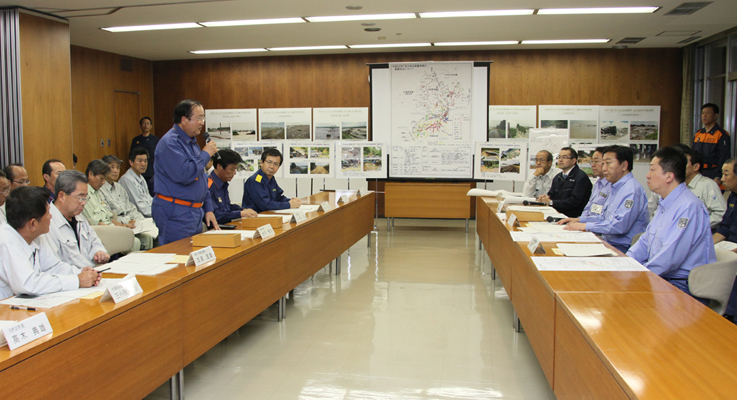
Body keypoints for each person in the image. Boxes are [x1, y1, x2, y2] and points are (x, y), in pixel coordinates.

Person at [627, 147, 715, 302]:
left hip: (682, 285)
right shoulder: (665, 203)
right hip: (662, 276)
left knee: (628, 303)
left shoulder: (688, 207)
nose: (647, 175)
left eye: (652, 170)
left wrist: (638, 275)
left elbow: (670, 257)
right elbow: (645, 242)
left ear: (669, 176)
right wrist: (624, 264)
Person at [0, 186, 100, 299]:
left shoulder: (34, 234)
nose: (51, 216)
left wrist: (79, 272)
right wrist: (76, 280)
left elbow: (52, 266)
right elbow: (28, 284)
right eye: (48, 213)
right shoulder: (6, 240)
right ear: (33, 223)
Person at [153, 99, 219, 245]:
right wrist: (205, 154)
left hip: (193, 212)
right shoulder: (170, 143)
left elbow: (201, 177)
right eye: (199, 118)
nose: (202, 122)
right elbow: (185, 174)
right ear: (184, 119)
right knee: (178, 258)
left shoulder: (191, 142)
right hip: (176, 212)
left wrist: (208, 208)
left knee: (193, 259)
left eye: (203, 118)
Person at [563, 145, 649, 252]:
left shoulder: (631, 190)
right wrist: (580, 220)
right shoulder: (615, 186)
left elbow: (619, 226)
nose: (604, 168)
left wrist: (585, 226)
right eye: (603, 163)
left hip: (623, 248)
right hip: (608, 242)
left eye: (608, 163)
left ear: (624, 165)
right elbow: (603, 218)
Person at [46, 170, 110, 267]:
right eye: (80, 197)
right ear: (62, 196)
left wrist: (98, 252)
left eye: (85, 198)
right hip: (72, 277)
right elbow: (54, 265)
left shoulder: (79, 217)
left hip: (92, 273)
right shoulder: (48, 223)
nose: (84, 202)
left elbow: (94, 241)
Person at [81, 160, 141, 252]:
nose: (103, 182)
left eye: (104, 179)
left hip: (110, 228)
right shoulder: (85, 195)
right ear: (90, 174)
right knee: (134, 241)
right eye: (101, 178)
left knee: (135, 236)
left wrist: (123, 225)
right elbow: (95, 222)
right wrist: (116, 229)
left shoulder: (98, 192)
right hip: (101, 232)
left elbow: (108, 218)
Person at [100, 155, 155, 250]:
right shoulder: (100, 189)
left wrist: (141, 221)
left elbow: (131, 208)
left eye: (118, 167)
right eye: (112, 167)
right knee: (136, 242)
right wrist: (125, 223)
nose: (116, 171)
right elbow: (108, 216)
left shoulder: (119, 188)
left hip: (131, 223)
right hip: (118, 226)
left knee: (152, 233)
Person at [675, 145, 726, 230]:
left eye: (684, 164)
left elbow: (720, 213)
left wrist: (697, 226)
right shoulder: (680, 184)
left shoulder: (708, 184)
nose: (679, 167)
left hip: (701, 233)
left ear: (696, 167)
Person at [559, 146, 611, 225]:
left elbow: (605, 219)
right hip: (588, 224)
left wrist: (583, 224)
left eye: (596, 161)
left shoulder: (612, 186)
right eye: (592, 162)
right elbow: (588, 208)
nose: (592, 165)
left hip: (598, 228)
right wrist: (579, 221)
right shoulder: (598, 183)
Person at [242, 148, 302, 213]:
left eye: (276, 164)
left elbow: (278, 197)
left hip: (269, 215)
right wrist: (289, 204)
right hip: (255, 218)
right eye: (269, 162)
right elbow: (265, 205)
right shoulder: (255, 181)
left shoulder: (271, 178)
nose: (272, 167)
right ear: (261, 162)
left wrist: (292, 201)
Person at [538, 147, 592, 218]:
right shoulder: (558, 177)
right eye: (559, 157)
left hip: (573, 218)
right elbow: (551, 195)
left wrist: (551, 202)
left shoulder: (581, 177)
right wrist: (544, 198)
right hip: (557, 215)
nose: (560, 160)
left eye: (564, 157)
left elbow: (574, 202)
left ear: (573, 161)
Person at [207, 149, 258, 225]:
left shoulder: (223, 183)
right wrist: (240, 214)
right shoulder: (208, 185)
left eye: (236, 169)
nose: (234, 173)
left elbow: (227, 207)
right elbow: (215, 215)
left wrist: (243, 209)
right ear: (219, 166)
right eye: (232, 169)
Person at [713, 157, 737, 319]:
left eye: (726, 174)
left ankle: (730, 316)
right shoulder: (733, 197)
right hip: (729, 245)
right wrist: (708, 244)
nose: (722, 179)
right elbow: (724, 227)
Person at [692, 103, 731, 183]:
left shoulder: (721, 134)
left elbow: (723, 157)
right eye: (703, 113)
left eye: (708, 113)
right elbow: (693, 154)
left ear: (716, 116)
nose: (704, 115)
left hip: (712, 173)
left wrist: (718, 176)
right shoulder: (698, 133)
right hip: (697, 172)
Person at [120, 148, 153, 218]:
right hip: (137, 217)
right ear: (131, 162)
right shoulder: (127, 179)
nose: (143, 164)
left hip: (148, 214)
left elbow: (149, 199)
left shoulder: (141, 177)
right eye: (140, 161)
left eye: (145, 161)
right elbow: (140, 207)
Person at [129, 116, 159, 195]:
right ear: (140, 125)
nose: (146, 125)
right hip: (138, 171)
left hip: (152, 170)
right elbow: (131, 154)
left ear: (151, 126)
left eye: (148, 124)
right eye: (144, 123)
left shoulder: (155, 140)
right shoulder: (136, 140)